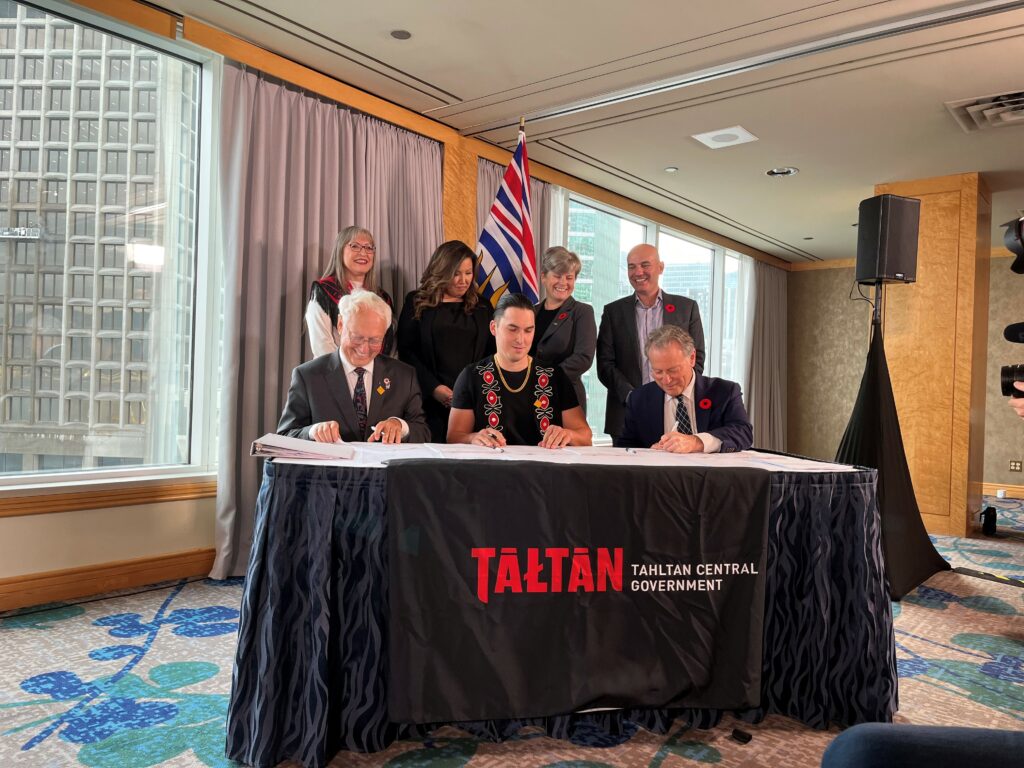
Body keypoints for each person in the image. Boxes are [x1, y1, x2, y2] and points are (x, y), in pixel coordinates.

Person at [280, 291, 429, 443]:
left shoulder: (404, 375)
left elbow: (423, 433)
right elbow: (285, 436)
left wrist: (400, 426)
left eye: (374, 340)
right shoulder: (308, 376)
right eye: (357, 338)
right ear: (340, 325)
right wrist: (312, 432)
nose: (364, 349)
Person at [448, 292, 592, 449]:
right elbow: (454, 437)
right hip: (491, 469)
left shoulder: (555, 376)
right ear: (493, 328)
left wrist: (568, 434)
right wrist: (473, 437)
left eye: (528, 330)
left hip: (545, 471)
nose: (520, 339)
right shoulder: (471, 376)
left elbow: (585, 437)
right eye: (513, 329)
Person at [597, 243, 706, 440]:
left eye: (645, 265)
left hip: (678, 413)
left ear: (660, 267)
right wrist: (635, 398)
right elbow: (605, 365)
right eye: (631, 266)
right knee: (628, 472)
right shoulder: (613, 312)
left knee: (677, 471)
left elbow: (695, 358)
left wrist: (675, 393)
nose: (638, 272)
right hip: (626, 413)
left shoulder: (686, 308)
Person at [397, 241, 494, 442]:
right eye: (456, 273)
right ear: (441, 271)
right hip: (427, 400)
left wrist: (471, 390)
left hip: (472, 401)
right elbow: (407, 351)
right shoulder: (416, 302)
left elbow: (491, 352)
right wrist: (434, 388)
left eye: (468, 273)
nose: (463, 280)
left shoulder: (483, 306)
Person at [616, 325, 751, 453]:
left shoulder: (724, 391)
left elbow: (743, 433)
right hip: (661, 476)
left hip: (712, 476)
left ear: (692, 358)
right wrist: (646, 453)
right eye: (658, 372)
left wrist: (696, 442)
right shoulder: (639, 399)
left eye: (673, 370)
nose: (666, 380)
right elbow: (626, 448)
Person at [306, 226, 395, 357]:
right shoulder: (323, 290)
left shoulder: (383, 298)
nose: (363, 253)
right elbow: (322, 345)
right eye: (355, 246)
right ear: (340, 250)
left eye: (369, 247)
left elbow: (387, 344)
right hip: (333, 373)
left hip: (376, 373)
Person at [531, 246, 597, 413]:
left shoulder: (582, 312)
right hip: (529, 394)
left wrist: (545, 379)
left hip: (566, 396)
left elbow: (583, 358)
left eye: (569, 277)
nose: (563, 283)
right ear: (544, 277)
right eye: (557, 276)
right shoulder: (530, 312)